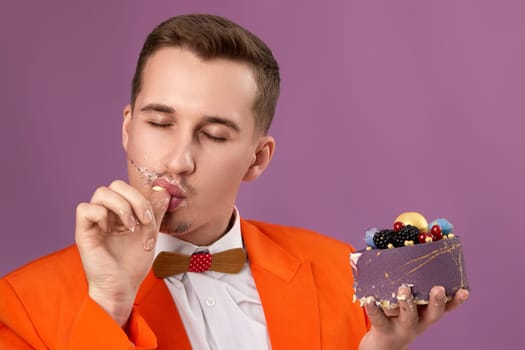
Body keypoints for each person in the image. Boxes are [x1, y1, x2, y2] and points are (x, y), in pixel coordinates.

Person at [0, 14, 468, 350]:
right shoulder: (19, 305)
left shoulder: (344, 278)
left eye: (214, 134)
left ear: (257, 158)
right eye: (160, 123)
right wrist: (109, 304)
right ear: (127, 129)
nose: (179, 160)